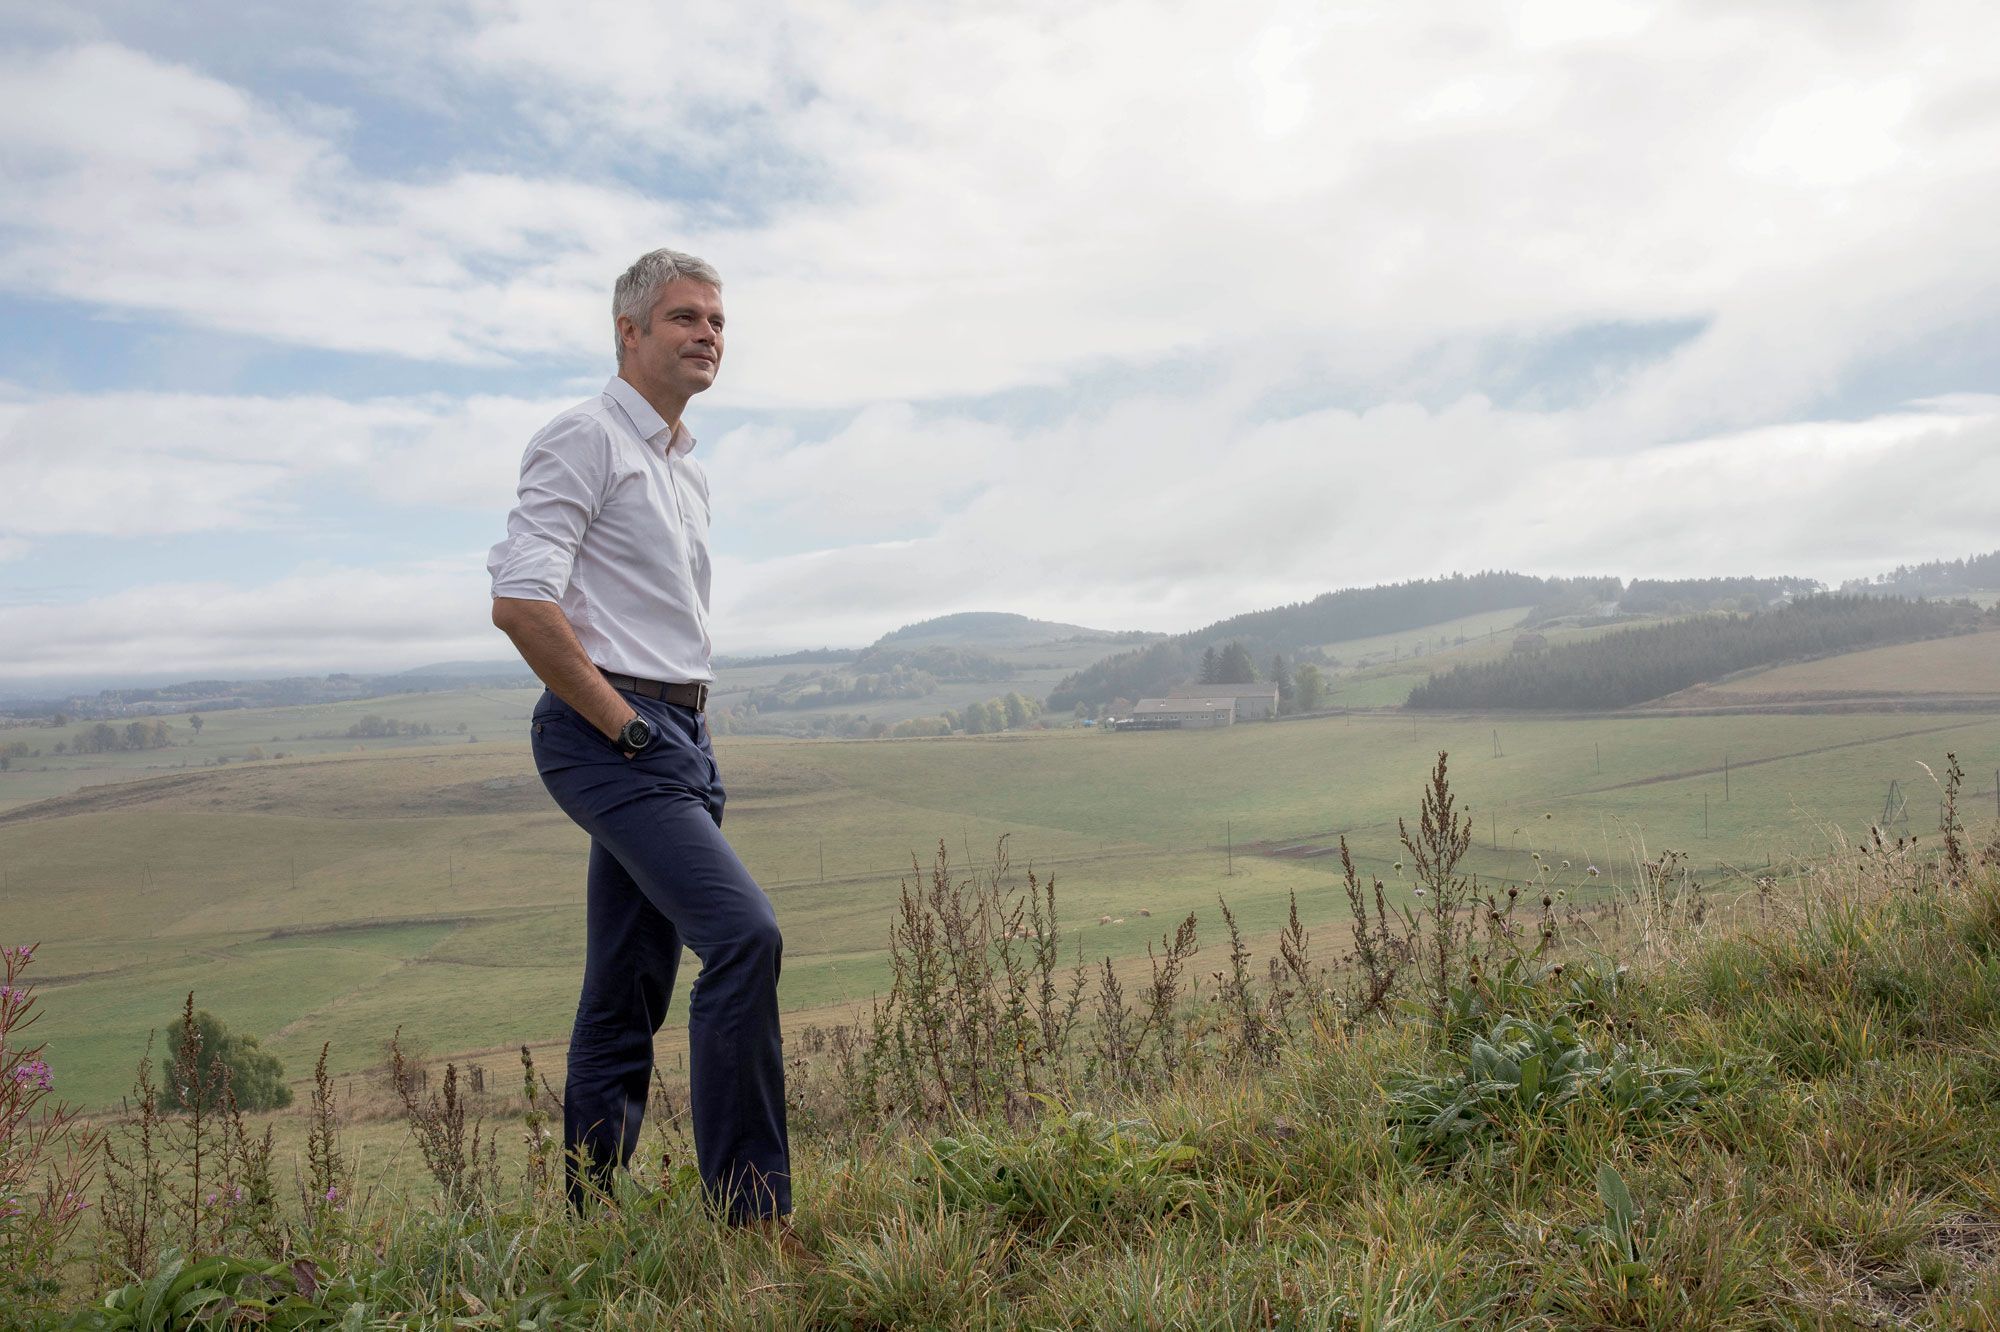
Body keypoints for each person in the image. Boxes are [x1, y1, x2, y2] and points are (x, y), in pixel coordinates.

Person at [486, 248, 797, 1240]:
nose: (706, 334)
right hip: (609, 733)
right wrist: (625, 729)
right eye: (682, 319)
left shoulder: (685, 470)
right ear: (629, 333)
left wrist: (682, 730)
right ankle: (751, 1219)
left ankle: (588, 1223)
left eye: (715, 321)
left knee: (626, 989)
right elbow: (521, 603)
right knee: (745, 939)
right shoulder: (582, 439)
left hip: (675, 734)